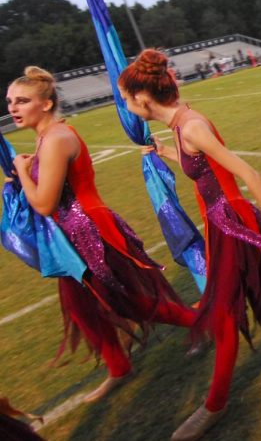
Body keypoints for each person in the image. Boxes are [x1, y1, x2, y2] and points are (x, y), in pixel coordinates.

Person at [117, 50, 261, 441]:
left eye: (127, 100)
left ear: (143, 99)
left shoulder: (192, 126)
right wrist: (165, 153)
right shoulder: (181, 125)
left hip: (233, 224)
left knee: (226, 313)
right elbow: (203, 170)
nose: (127, 108)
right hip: (222, 224)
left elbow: (248, 172)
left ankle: (214, 405)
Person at [5, 67, 196, 403]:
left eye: (22, 101)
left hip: (90, 234)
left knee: (131, 302)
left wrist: (22, 171)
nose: (13, 107)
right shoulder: (46, 138)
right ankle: (119, 367)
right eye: (9, 102)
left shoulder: (56, 139)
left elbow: (46, 204)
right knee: (81, 308)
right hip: (71, 239)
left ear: (47, 104)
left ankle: (204, 322)